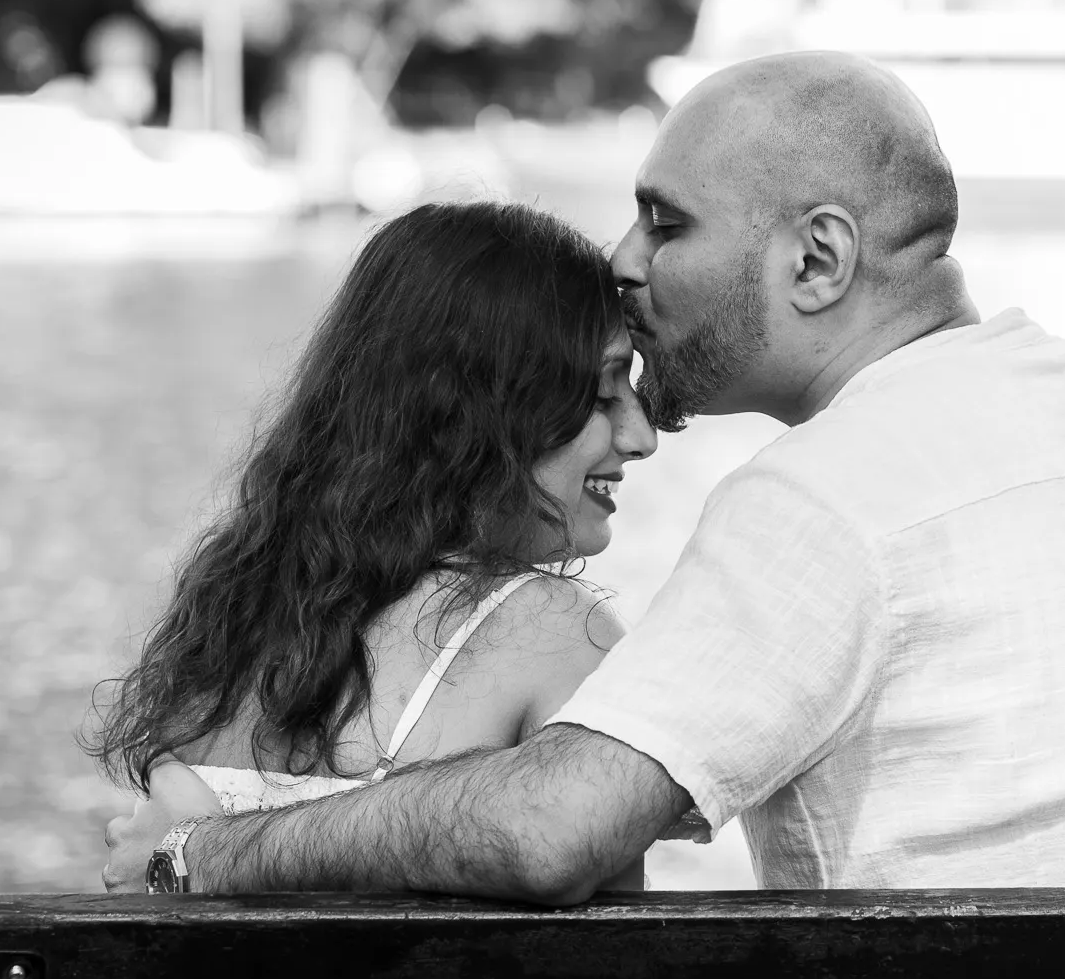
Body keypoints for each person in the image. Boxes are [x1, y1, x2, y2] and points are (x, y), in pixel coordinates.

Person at [105, 50, 1065, 898]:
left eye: (665, 222)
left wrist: (211, 855)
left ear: (817, 259)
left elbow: (550, 829)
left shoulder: (832, 493)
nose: (625, 261)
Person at [90, 201, 662, 890]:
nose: (641, 436)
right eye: (603, 394)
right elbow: (621, 959)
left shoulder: (235, 622)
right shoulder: (560, 633)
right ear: (485, 409)